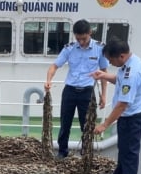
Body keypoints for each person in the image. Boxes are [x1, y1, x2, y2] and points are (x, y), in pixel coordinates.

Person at [44, 19, 108, 159]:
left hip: (87, 92)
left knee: (86, 124)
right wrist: (48, 80)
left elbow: (104, 72)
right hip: (70, 91)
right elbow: (54, 66)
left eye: (84, 38)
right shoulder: (69, 48)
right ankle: (62, 151)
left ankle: (85, 153)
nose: (81, 42)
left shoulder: (100, 48)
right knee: (65, 123)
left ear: (90, 33)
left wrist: (104, 95)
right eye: (78, 39)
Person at [92, 38, 141, 174]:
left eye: (110, 60)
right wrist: (104, 75)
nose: (110, 63)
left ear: (121, 56)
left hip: (132, 119)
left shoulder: (132, 73)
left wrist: (105, 125)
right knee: (123, 150)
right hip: (127, 118)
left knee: (130, 154)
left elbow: (123, 104)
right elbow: (119, 79)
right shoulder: (131, 61)